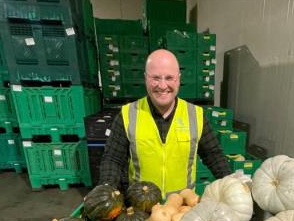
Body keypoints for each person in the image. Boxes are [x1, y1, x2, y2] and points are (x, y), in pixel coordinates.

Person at [98, 49, 231, 195]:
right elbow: (113, 159)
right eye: (155, 78)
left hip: (182, 207)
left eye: (169, 78)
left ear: (178, 79)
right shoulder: (128, 115)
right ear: (145, 78)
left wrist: (232, 185)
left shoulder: (196, 115)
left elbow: (213, 155)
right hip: (141, 207)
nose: (162, 86)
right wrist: (106, 188)